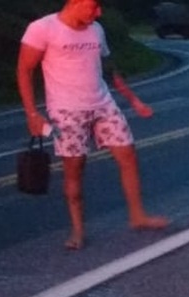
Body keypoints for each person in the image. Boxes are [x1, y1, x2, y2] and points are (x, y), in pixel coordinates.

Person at [18, 0, 169, 251]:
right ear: (75, 3)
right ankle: (77, 229)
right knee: (75, 169)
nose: (98, 13)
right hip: (67, 111)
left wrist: (133, 100)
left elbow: (110, 70)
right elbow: (24, 70)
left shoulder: (96, 29)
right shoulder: (42, 28)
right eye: (94, 7)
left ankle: (137, 215)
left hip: (103, 104)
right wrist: (32, 114)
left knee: (128, 155)